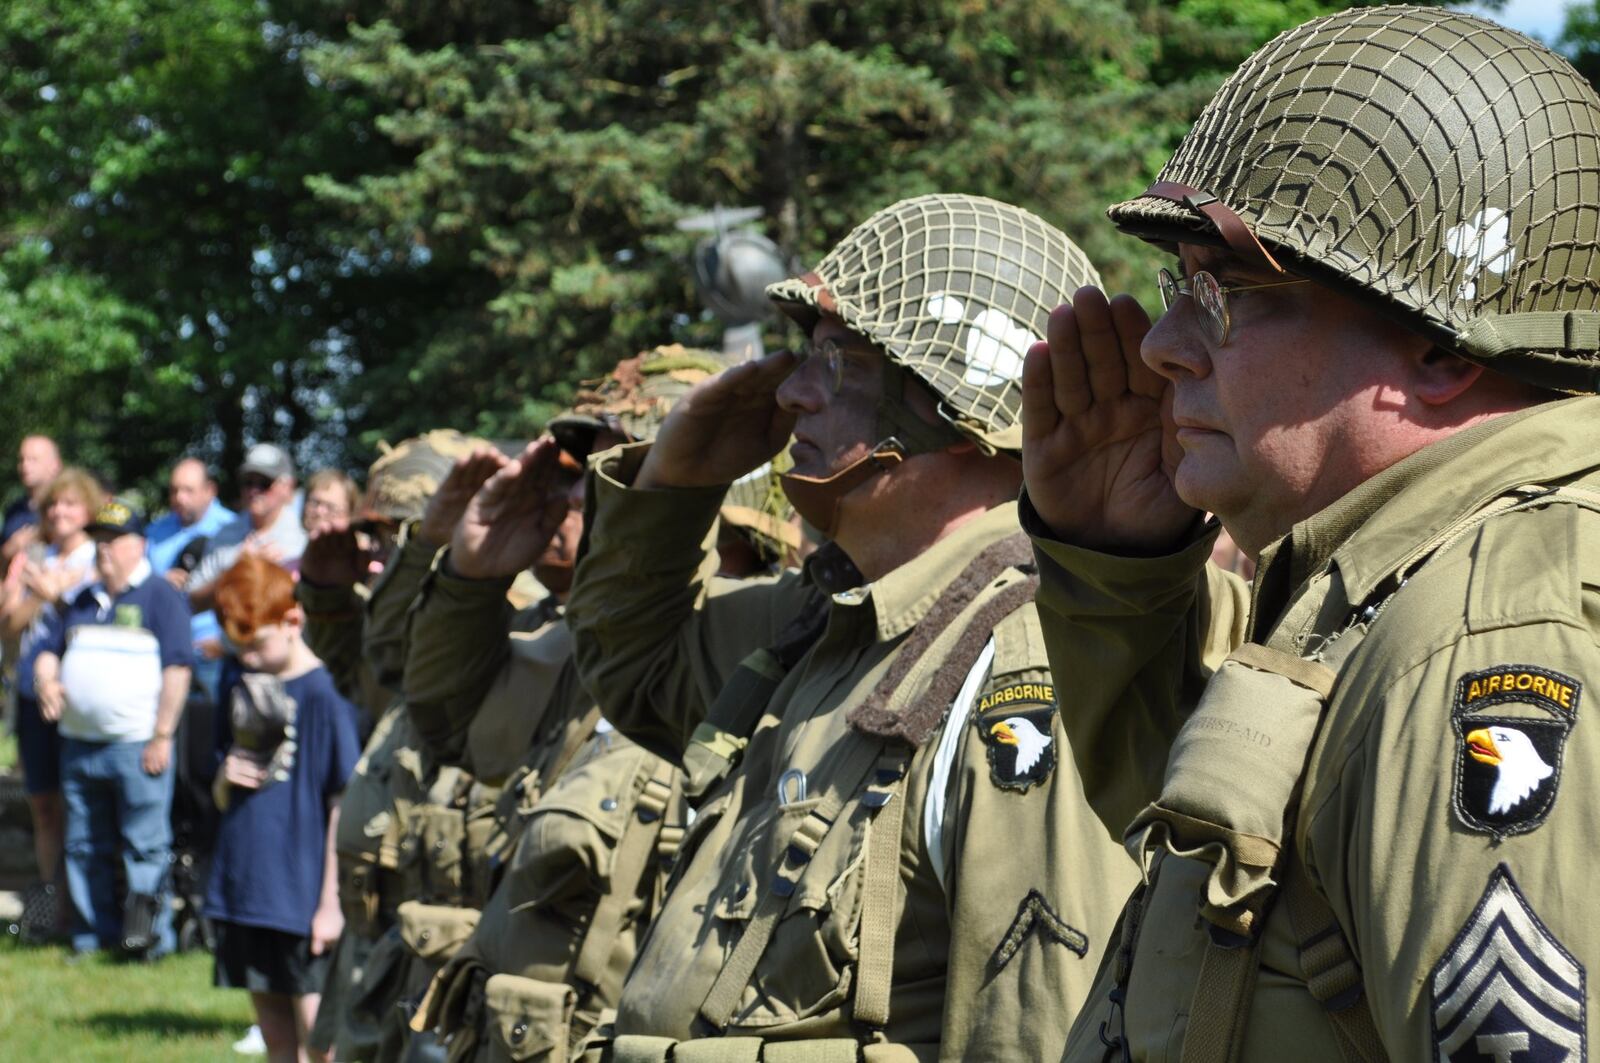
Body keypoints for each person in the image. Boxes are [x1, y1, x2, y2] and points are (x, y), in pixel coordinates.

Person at [1021, 7, 1600, 1059]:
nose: (1158, 346)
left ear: (1435, 342)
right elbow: (1249, 881)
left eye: (1227, 292)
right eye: (1173, 288)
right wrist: (1117, 567)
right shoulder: (1395, 579)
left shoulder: (1486, 628)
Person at [566, 194, 1138, 1059]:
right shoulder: (829, 625)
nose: (792, 392)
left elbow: (1035, 1027)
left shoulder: (1025, 655)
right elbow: (636, 668)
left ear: (954, 402)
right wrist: (672, 484)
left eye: (838, 361)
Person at [207, 554, 361, 1063]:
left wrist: (331, 903)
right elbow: (218, 792)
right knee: (275, 1037)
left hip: (304, 893)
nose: (246, 657)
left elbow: (344, 804)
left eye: (256, 644)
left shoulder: (326, 694)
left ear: (293, 622)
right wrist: (224, 777)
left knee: (322, 1041)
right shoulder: (239, 682)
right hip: (249, 883)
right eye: (237, 646)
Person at [33, 497, 193, 956]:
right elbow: (48, 646)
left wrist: (162, 734)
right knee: (84, 847)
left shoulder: (162, 597)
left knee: (144, 848)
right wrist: (47, 677)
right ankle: (90, 937)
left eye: (114, 541)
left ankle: (147, 940)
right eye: (98, 540)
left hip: (138, 745)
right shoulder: (83, 599)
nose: (103, 550)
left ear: (139, 545)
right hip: (80, 744)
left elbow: (178, 670)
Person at [0, 467, 103, 901]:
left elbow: (94, 622)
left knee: (78, 804)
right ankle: (47, 907)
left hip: (76, 698)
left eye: (71, 503)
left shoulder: (101, 557)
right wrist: (43, 593)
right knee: (42, 804)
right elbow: (9, 626)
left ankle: (84, 910)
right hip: (28, 693)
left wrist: (60, 597)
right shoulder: (36, 557)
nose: (60, 511)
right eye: (54, 504)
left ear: (88, 509)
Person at [146, 457, 237, 703]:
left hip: (211, 651)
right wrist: (159, 581)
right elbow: (139, 582)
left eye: (188, 490)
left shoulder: (232, 530)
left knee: (209, 734)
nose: (179, 498)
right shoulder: (155, 532)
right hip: (165, 648)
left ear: (210, 490)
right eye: (174, 490)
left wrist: (227, 642)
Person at [189, 443, 308, 612]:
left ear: (287, 487)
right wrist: (236, 570)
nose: (254, 490)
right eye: (248, 482)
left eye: (264, 483)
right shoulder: (225, 535)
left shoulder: (303, 535)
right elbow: (191, 601)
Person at [1, 434, 63, 565]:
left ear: (55, 465)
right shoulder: (14, 511)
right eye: (22, 459)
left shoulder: (69, 510)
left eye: (33, 459)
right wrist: (8, 550)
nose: (25, 466)